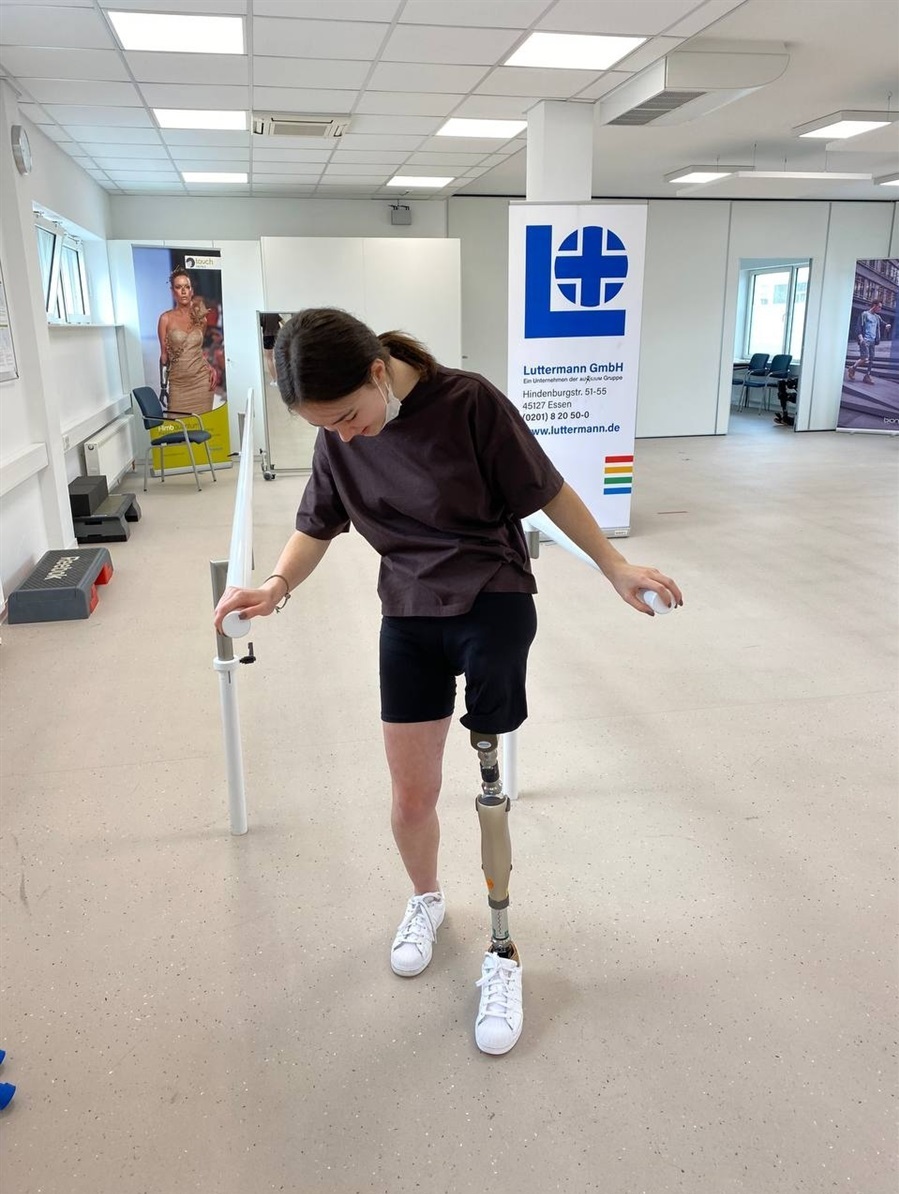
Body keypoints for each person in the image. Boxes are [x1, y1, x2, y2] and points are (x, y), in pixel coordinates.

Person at [213, 308, 683, 1056]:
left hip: (489, 601)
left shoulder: (468, 403)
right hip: (406, 611)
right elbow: (316, 524)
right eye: (323, 427)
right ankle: (424, 901)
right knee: (409, 793)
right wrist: (274, 586)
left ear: (376, 372)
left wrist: (613, 565)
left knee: (489, 790)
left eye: (347, 418)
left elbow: (546, 491)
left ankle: (502, 951)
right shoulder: (339, 433)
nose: (342, 435)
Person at [157, 269, 216, 415]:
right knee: (177, 433)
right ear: (173, 292)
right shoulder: (166, 319)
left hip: (202, 383)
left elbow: (198, 350)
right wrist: (163, 387)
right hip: (178, 384)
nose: (183, 291)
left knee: (202, 431)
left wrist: (210, 367)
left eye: (186, 287)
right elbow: (164, 356)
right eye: (178, 287)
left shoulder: (201, 319)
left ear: (192, 291)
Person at [847, 300, 891, 385]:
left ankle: (867, 376)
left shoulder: (877, 317)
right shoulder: (865, 314)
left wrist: (887, 325)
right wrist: (861, 338)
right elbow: (859, 326)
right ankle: (852, 368)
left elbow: (883, 323)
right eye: (879, 307)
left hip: (872, 342)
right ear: (874, 305)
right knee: (865, 358)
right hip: (865, 340)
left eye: (881, 307)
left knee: (871, 360)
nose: (880, 309)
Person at [260, 312, 283, 386]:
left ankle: (275, 380)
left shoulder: (262, 314)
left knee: (269, 358)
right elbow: (284, 323)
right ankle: (281, 379)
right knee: (277, 357)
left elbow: (257, 324)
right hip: (277, 335)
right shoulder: (274, 312)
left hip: (267, 336)